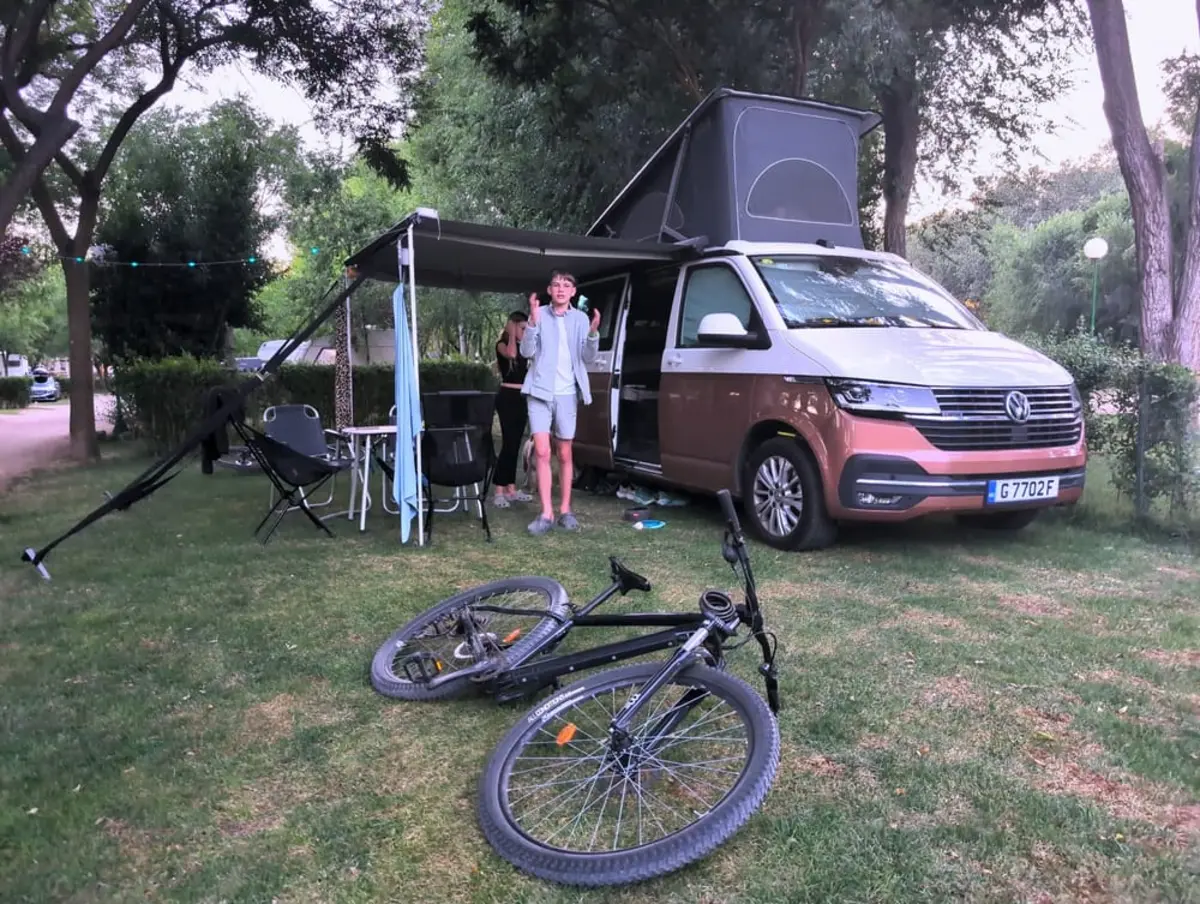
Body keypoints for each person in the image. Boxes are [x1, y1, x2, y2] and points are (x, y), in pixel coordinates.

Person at [519, 270, 601, 534]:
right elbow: (526, 352)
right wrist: (532, 323)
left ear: (573, 292)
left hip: (567, 393)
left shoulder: (580, 319)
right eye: (556, 285)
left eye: (566, 285)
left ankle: (566, 510)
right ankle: (546, 513)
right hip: (539, 391)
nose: (561, 289)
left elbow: (587, 357)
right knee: (543, 452)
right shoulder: (539, 314)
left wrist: (593, 334)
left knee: (565, 453)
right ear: (549, 290)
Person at [492, 311, 532, 507]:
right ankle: (499, 490)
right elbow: (511, 354)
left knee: (516, 443)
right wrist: (512, 335)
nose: (525, 332)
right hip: (507, 396)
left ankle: (511, 489)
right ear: (513, 326)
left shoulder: (526, 347)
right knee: (508, 443)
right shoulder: (502, 344)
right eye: (522, 328)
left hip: (522, 396)